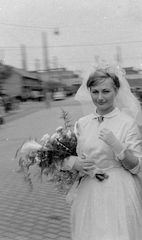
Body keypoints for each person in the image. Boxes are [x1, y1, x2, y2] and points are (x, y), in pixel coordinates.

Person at [65, 62, 142, 240]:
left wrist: (118, 146)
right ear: (89, 92)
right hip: (89, 191)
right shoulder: (83, 123)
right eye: (95, 91)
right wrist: (74, 162)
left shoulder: (126, 122)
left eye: (106, 91)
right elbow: (68, 157)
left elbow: (137, 167)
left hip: (118, 190)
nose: (100, 97)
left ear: (116, 91)